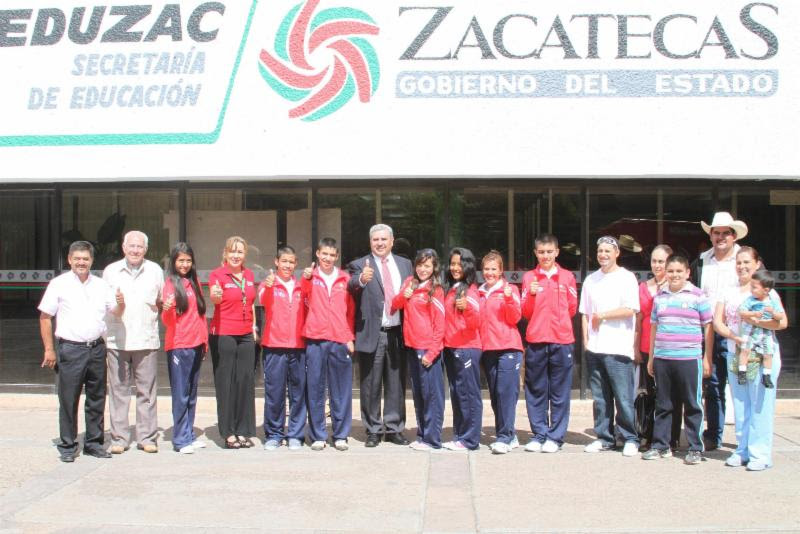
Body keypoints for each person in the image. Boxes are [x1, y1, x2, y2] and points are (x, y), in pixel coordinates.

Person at [38, 241, 123, 462]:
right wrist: (49, 349)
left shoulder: (101, 285)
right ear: (69, 260)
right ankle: (68, 445)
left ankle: (93, 444)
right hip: (70, 349)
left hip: (96, 348)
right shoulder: (58, 284)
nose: (81, 262)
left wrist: (121, 304)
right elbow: (45, 317)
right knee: (69, 399)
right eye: (77, 258)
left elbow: (115, 311)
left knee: (96, 398)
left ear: (92, 260)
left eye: (85, 259)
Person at [713, 247, 788, 471]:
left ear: (757, 264)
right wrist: (735, 337)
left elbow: (782, 323)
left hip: (762, 354)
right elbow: (718, 322)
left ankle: (760, 454)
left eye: (747, 262)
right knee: (741, 403)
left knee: (760, 404)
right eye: (739, 262)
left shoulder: (766, 291)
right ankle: (742, 450)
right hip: (736, 352)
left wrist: (755, 322)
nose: (742, 266)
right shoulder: (728, 290)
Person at [642, 254, 713, 465]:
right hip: (663, 358)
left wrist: (707, 358)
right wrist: (652, 357)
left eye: (679, 271)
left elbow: (708, 327)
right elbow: (654, 327)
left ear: (687, 273)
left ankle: (695, 448)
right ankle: (661, 445)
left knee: (692, 404)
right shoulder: (660, 297)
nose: (674, 275)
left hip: (689, 358)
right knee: (663, 404)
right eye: (671, 271)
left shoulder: (698, 296)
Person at [347, 224, 413, 447]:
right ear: (370, 242)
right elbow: (351, 286)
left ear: (392, 241)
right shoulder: (359, 264)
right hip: (371, 333)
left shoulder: (405, 264)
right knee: (370, 384)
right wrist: (362, 279)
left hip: (397, 333)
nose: (380, 243)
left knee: (396, 383)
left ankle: (394, 428)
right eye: (375, 240)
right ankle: (373, 429)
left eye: (384, 239)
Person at [102, 230, 164, 454]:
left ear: (145, 249)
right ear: (123, 247)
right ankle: (119, 438)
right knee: (118, 391)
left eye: (139, 247)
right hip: (117, 340)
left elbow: (161, 301)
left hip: (146, 340)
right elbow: (105, 305)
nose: (135, 250)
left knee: (146, 392)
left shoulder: (155, 270)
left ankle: (147, 437)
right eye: (131, 246)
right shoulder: (111, 271)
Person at [691, 211, 748, 450]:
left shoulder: (744, 259)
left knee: (742, 385)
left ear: (734, 236)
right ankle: (713, 435)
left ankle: (746, 439)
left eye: (726, 233)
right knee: (713, 385)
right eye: (717, 232)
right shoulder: (701, 261)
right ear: (711, 235)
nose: (721, 237)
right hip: (709, 332)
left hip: (738, 332)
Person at [579, 236, 640, 456]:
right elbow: (585, 313)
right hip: (596, 348)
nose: (603, 255)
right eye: (600, 251)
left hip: (618, 347)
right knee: (600, 398)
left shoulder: (627, 277)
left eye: (607, 251)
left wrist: (603, 316)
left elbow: (631, 309)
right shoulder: (591, 280)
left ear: (617, 253)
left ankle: (630, 437)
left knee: (623, 397)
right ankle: (605, 437)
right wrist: (586, 341)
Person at [520, 234, 578, 453]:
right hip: (536, 340)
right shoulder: (529, 278)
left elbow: (572, 308)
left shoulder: (567, 277)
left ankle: (555, 436)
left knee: (560, 391)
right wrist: (532, 295)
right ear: (536, 253)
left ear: (557, 252)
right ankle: (539, 434)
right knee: (536, 390)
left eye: (549, 252)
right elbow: (525, 312)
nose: (545, 256)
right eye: (541, 252)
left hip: (561, 340)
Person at [302, 237, 356, 451]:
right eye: (324, 253)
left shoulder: (345, 278)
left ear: (337, 257)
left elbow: (350, 311)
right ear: (317, 253)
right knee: (316, 388)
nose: (327, 258)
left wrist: (349, 337)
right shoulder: (310, 277)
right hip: (315, 339)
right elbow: (301, 301)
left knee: (341, 390)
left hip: (339, 340)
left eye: (332, 255)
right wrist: (306, 279)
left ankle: (341, 435)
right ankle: (318, 435)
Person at [392, 249, 446, 451]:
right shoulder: (410, 283)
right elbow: (394, 305)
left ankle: (433, 439)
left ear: (434, 268)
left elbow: (440, 324)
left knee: (432, 396)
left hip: (428, 349)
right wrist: (403, 295)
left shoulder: (436, 289)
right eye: (420, 265)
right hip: (412, 347)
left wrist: (432, 352)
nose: (423, 269)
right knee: (419, 395)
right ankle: (423, 435)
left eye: (427, 266)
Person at [209, 236, 257, 449]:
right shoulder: (217, 275)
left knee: (244, 382)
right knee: (226, 384)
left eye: (240, 252)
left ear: (244, 254)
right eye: (232, 251)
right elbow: (215, 298)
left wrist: (254, 327)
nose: (236, 255)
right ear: (225, 253)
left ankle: (243, 430)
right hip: (224, 334)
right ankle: (228, 433)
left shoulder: (249, 275)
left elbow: (251, 302)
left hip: (246, 334)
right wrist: (216, 295)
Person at [258, 246, 307, 451]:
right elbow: (263, 300)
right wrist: (270, 286)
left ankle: (295, 434)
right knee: (274, 393)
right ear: (276, 262)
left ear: (296, 264)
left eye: (291, 262)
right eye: (283, 261)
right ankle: (274, 434)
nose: (287, 265)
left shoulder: (301, 286)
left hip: (298, 346)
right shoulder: (268, 284)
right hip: (274, 345)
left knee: (298, 394)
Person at [161, 242, 208, 454]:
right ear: (174, 262)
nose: (185, 264)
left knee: (191, 393)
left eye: (188, 260)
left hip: (196, 344)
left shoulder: (194, 282)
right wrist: (167, 309)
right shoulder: (170, 284)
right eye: (181, 260)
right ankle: (180, 439)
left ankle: (189, 434)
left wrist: (204, 341)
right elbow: (168, 321)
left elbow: (200, 314)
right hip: (179, 346)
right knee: (180, 394)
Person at [634, 244, 678, 449]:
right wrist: (635, 347)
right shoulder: (643, 287)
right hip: (646, 346)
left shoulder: (677, 286)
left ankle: (671, 437)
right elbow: (638, 319)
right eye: (654, 261)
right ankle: (649, 435)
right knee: (650, 394)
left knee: (671, 394)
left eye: (662, 261)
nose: (657, 265)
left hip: (670, 346)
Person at [479, 250, 523, 454]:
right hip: (488, 349)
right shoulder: (479, 292)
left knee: (506, 393)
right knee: (496, 395)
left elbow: (515, 318)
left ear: (501, 270)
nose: (490, 273)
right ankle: (508, 434)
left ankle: (504, 438)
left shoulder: (510, 289)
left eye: (493, 269)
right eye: (486, 269)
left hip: (508, 348)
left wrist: (508, 299)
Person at [442, 247, 482, 451]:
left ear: (468, 266)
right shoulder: (452, 287)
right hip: (452, 347)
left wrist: (466, 308)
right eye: (453, 264)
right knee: (458, 394)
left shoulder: (470, 290)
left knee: (468, 394)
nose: (455, 268)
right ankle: (460, 436)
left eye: (460, 264)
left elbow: (477, 322)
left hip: (466, 348)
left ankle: (470, 439)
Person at [735, 270, 784, 389]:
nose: (751, 290)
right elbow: (741, 311)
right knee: (745, 350)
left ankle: (766, 375)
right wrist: (753, 314)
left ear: (766, 290)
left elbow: (780, 317)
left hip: (766, 332)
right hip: (750, 330)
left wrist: (773, 312)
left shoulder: (773, 301)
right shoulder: (750, 300)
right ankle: (742, 371)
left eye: (754, 287)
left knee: (768, 353)